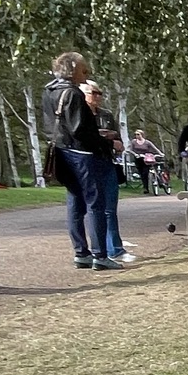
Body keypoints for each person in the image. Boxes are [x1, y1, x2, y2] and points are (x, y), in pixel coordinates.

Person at [42, 51, 121, 271]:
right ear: (72, 69)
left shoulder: (49, 91)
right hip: (82, 154)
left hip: (61, 151)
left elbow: (49, 125)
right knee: (95, 204)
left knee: (75, 203)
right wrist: (104, 142)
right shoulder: (73, 93)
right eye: (83, 69)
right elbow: (80, 130)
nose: (86, 73)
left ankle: (81, 253)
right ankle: (100, 255)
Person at [81, 81, 137, 263]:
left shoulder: (106, 115)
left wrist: (115, 142)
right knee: (91, 209)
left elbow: (118, 140)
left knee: (110, 209)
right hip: (87, 164)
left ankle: (115, 250)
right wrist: (103, 138)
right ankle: (93, 252)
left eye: (100, 93)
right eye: (93, 93)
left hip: (107, 162)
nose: (97, 97)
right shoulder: (78, 114)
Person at [130, 127, 164, 192]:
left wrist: (160, 153)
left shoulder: (147, 142)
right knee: (141, 173)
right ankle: (145, 187)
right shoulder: (134, 142)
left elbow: (154, 148)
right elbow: (130, 150)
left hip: (146, 159)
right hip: (138, 159)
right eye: (136, 134)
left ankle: (156, 183)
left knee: (145, 172)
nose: (137, 136)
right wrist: (135, 154)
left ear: (142, 135)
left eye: (138, 134)